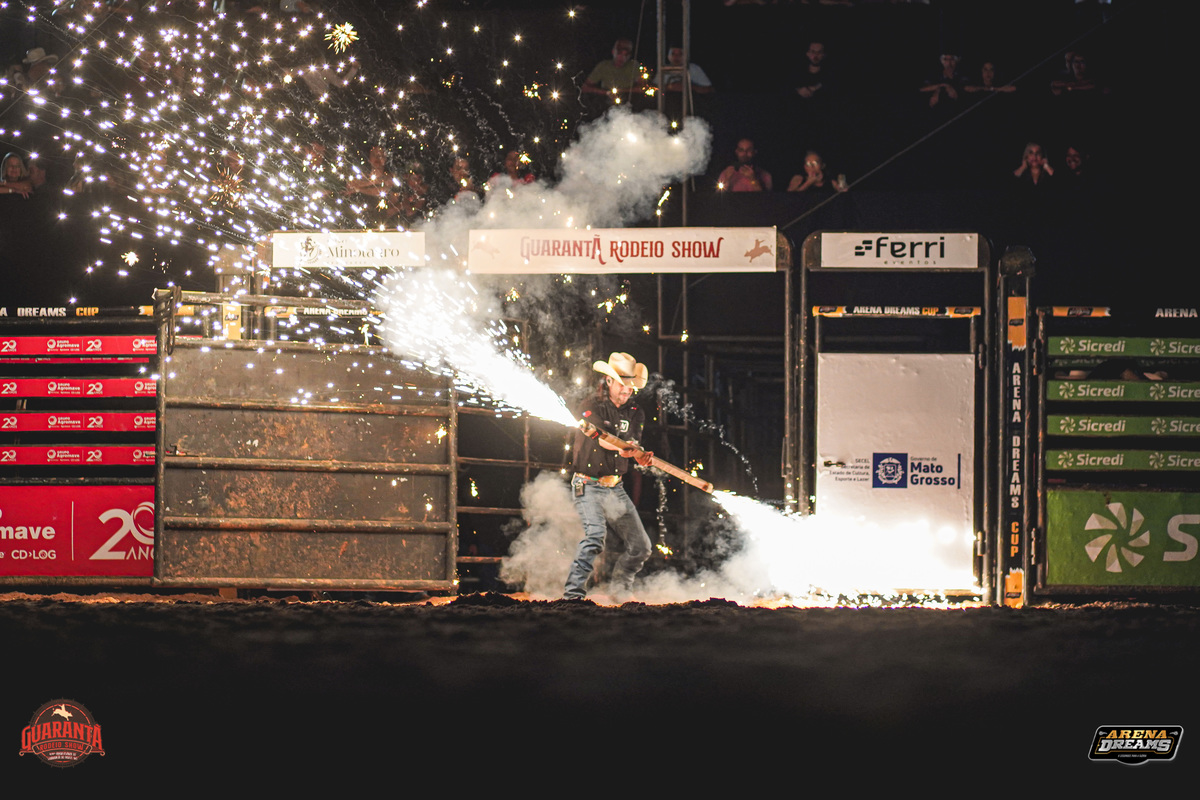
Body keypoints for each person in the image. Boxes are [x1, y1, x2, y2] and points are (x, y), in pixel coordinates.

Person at [562, 352, 655, 601]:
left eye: (631, 385)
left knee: (641, 547)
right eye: (623, 384)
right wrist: (625, 449)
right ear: (609, 381)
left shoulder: (635, 411)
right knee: (594, 538)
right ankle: (572, 596)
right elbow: (601, 438)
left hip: (616, 488)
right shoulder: (590, 406)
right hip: (587, 484)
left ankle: (620, 592)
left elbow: (633, 443)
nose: (627, 390)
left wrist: (639, 455)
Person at [582, 38, 646, 100]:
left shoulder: (634, 66)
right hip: (606, 100)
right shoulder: (603, 66)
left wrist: (621, 91)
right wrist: (606, 93)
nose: (622, 57)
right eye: (619, 53)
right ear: (613, 52)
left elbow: (642, 88)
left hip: (629, 100)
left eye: (626, 54)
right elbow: (585, 88)